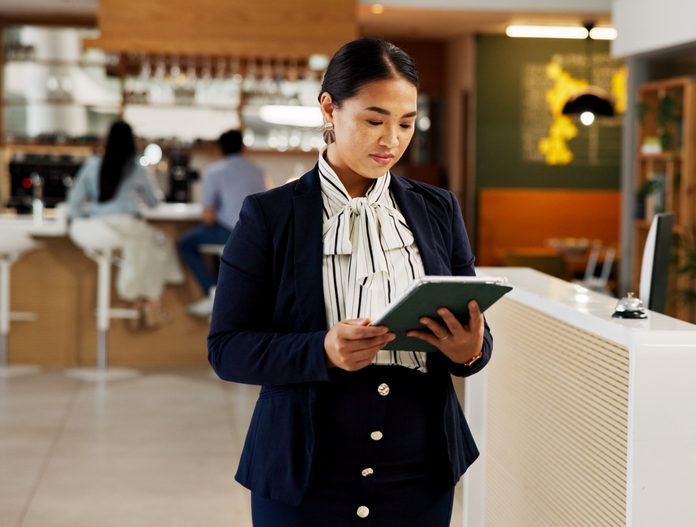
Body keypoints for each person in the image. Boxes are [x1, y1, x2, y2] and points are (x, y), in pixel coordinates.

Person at [208, 38, 492, 526]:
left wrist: (469, 349)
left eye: (406, 124)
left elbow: (476, 340)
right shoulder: (269, 216)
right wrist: (321, 349)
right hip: (304, 465)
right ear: (329, 108)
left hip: (419, 468)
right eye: (374, 120)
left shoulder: (438, 209)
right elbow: (227, 348)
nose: (391, 141)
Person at [67, 120, 184, 325]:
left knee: (145, 246)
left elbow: (74, 200)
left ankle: (143, 299)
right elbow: (154, 201)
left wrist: (81, 221)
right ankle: (146, 298)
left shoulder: (93, 164)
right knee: (160, 242)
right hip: (127, 225)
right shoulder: (137, 167)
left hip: (96, 228)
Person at [179, 129, 268, 317]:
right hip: (258, 236)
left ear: (219, 150)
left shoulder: (215, 171)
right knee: (220, 250)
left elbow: (207, 216)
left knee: (186, 243)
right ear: (244, 149)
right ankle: (221, 295)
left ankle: (212, 292)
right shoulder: (259, 170)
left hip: (230, 233)